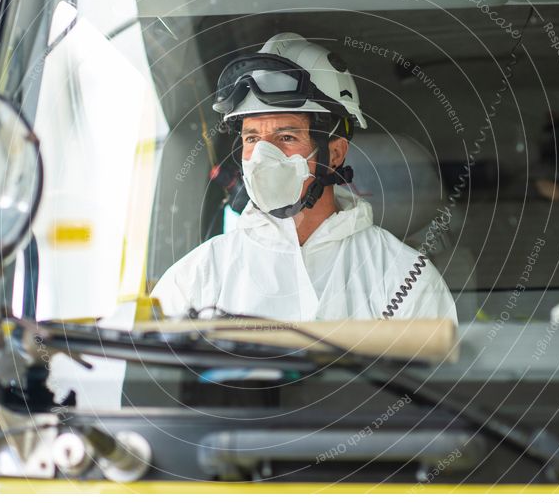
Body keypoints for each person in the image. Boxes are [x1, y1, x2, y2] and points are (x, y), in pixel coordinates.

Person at [151, 33, 457, 324]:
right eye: (252, 138)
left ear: (335, 153)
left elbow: (442, 376)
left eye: (285, 137)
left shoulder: (405, 278)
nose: (262, 156)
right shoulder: (195, 278)